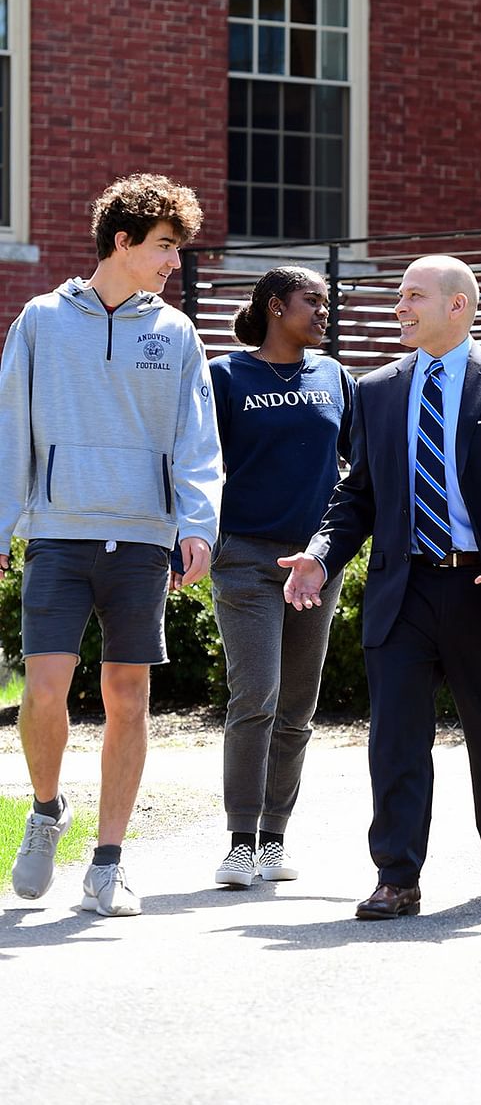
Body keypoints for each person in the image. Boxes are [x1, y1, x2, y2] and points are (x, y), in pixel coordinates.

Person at [280, 255, 481, 918]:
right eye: (400, 296)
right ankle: (397, 877)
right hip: (402, 590)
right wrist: (321, 555)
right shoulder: (376, 389)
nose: (399, 308)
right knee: (396, 740)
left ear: (457, 305)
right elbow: (357, 496)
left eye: (413, 296)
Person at [0, 174, 222, 917]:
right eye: (164, 247)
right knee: (43, 691)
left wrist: (197, 524)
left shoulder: (177, 332)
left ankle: (107, 863)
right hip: (58, 534)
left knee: (128, 696)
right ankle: (46, 809)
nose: (174, 263)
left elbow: (197, 438)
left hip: (142, 539)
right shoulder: (40, 319)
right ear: (122, 242)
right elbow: (9, 427)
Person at [208, 266, 354, 887]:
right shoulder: (225, 375)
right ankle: (240, 842)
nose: (324, 311)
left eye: (326, 302)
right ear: (274, 306)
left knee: (297, 705)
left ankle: (273, 839)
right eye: (311, 301)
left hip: (316, 564)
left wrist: (333, 547)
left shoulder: (335, 377)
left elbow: (360, 469)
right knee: (256, 696)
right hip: (245, 557)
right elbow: (198, 463)